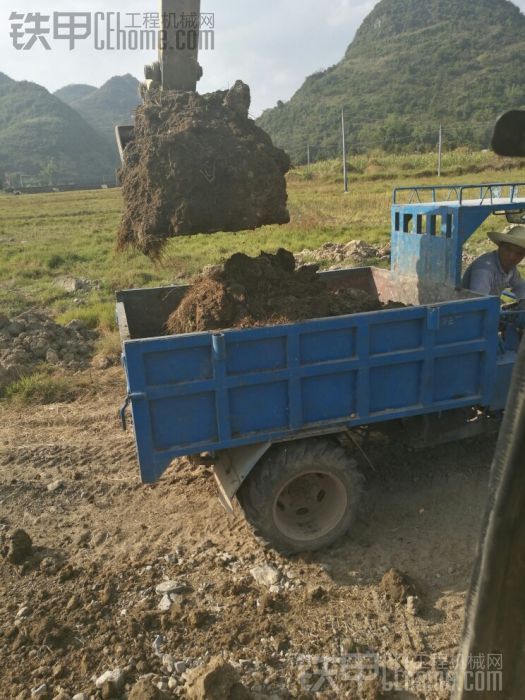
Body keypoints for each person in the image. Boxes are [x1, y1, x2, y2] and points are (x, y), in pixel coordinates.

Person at [462, 224, 525, 305]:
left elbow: (520, 286)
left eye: (519, 253)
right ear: (500, 247)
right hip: (469, 313)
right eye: (508, 250)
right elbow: (478, 302)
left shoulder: (511, 268)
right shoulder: (484, 269)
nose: (512, 257)